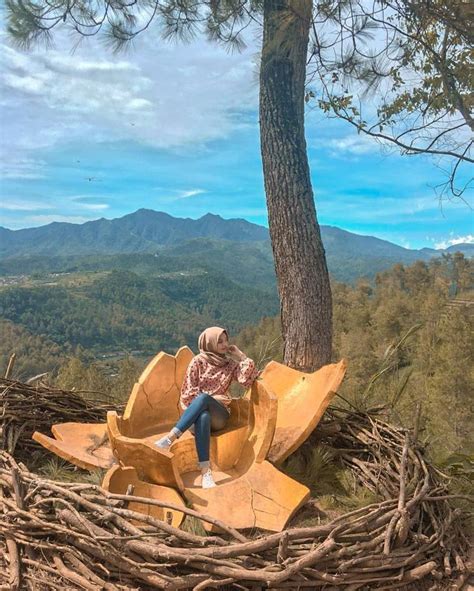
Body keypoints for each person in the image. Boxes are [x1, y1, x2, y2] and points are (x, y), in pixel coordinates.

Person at [155, 326, 259, 488]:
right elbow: (188, 394)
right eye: (219, 341)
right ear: (208, 343)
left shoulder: (229, 364)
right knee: (203, 415)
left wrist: (241, 356)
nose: (225, 344)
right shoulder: (198, 362)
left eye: (226, 340)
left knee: (204, 400)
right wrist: (213, 397)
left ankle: (170, 438)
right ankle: (206, 473)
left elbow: (247, 380)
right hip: (195, 419)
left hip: (220, 417)